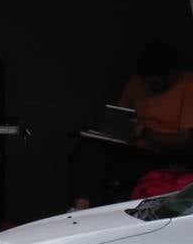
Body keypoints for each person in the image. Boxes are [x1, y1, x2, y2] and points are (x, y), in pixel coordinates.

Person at [70, 40, 193, 209]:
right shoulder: (136, 82)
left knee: (123, 175)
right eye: (146, 81)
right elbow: (122, 116)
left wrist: (146, 133)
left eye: (155, 83)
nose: (149, 86)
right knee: (89, 150)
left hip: (166, 153)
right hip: (133, 146)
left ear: (171, 75)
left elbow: (185, 140)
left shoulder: (188, 85)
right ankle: (81, 207)